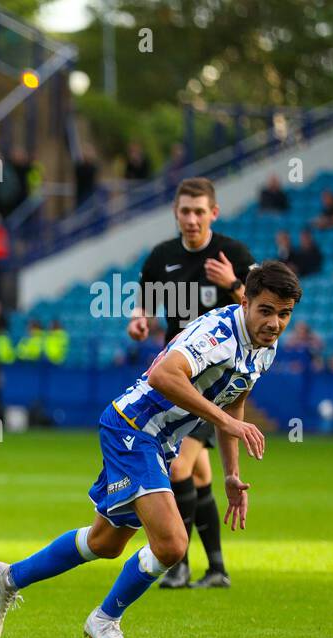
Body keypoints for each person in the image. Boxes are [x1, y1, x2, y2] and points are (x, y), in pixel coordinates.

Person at [0, 262, 301, 638]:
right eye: (266, 311)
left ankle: (8, 578)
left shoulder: (264, 348)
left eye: (284, 314)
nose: (275, 323)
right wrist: (226, 422)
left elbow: (235, 399)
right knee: (171, 544)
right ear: (245, 300)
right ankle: (104, 620)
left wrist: (231, 475)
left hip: (160, 441)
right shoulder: (218, 333)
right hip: (133, 427)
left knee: (105, 543)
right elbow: (163, 375)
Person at [126, 177, 256, 589]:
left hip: (215, 383)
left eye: (200, 211)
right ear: (176, 213)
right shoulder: (162, 256)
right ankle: (216, 569)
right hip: (177, 377)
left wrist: (233, 284)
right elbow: (145, 297)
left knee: (180, 466)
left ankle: (177, 563)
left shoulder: (232, 254)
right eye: (185, 211)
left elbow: (260, 310)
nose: (192, 218)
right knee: (198, 475)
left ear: (213, 213)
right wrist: (140, 317)